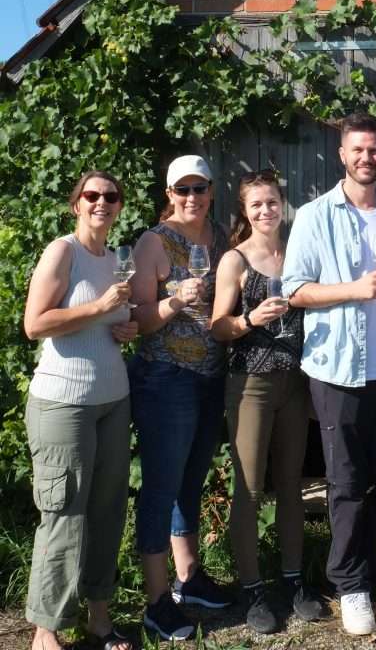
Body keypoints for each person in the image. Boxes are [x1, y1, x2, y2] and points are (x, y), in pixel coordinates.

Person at [282, 112, 376, 636]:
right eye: (357, 149)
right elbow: (294, 289)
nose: (366, 157)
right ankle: (351, 585)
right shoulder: (314, 215)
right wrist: (354, 290)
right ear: (342, 155)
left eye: (374, 149)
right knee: (346, 483)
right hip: (338, 369)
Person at [23, 171, 137, 650]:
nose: (101, 202)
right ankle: (45, 629)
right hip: (63, 402)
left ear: (119, 205)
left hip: (113, 399)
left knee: (107, 513)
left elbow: (107, 324)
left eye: (110, 196)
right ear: (77, 204)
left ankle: (98, 617)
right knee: (64, 514)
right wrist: (99, 308)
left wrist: (124, 328)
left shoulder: (115, 260)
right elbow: (35, 324)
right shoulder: (63, 251)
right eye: (92, 195)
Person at [211, 170, 324, 634]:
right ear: (245, 210)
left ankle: (294, 579)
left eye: (272, 201)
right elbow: (218, 326)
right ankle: (252, 587)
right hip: (251, 384)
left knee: (292, 484)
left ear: (283, 204)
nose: (265, 210)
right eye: (256, 204)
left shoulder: (297, 252)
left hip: (294, 382)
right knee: (250, 488)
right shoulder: (234, 260)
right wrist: (250, 319)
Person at [130, 155, 231, 640]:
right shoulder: (153, 242)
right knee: (160, 487)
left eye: (200, 188)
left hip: (211, 377)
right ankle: (156, 603)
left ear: (211, 190)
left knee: (191, 481)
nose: (192, 197)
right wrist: (175, 301)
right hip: (166, 379)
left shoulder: (221, 237)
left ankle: (188, 578)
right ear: (169, 194)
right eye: (182, 189)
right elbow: (138, 321)